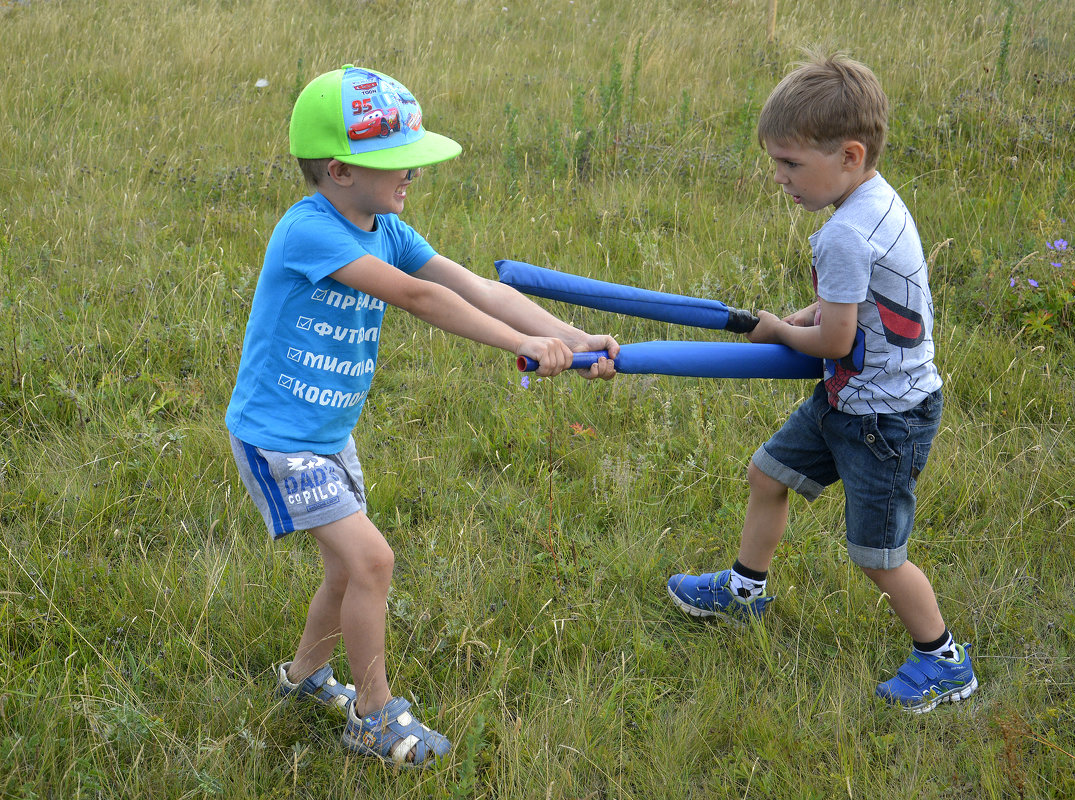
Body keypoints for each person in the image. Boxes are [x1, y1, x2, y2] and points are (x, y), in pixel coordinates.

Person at [226, 64, 618, 766]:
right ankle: (373, 717)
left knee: (347, 571)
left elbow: (475, 289)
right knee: (372, 559)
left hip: (327, 434)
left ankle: (303, 677)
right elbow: (422, 300)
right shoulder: (309, 231)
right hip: (278, 439)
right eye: (398, 160)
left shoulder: (387, 227)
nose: (414, 171)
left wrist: (571, 337)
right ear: (340, 170)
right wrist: (524, 346)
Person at [666, 54, 977, 713]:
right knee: (767, 475)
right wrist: (797, 319)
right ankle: (745, 591)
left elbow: (832, 341)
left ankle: (944, 660)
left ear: (849, 154)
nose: (779, 178)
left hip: (883, 420)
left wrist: (780, 331)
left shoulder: (844, 234)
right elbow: (850, 312)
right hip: (848, 398)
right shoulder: (877, 199)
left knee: (878, 555)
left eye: (790, 163)